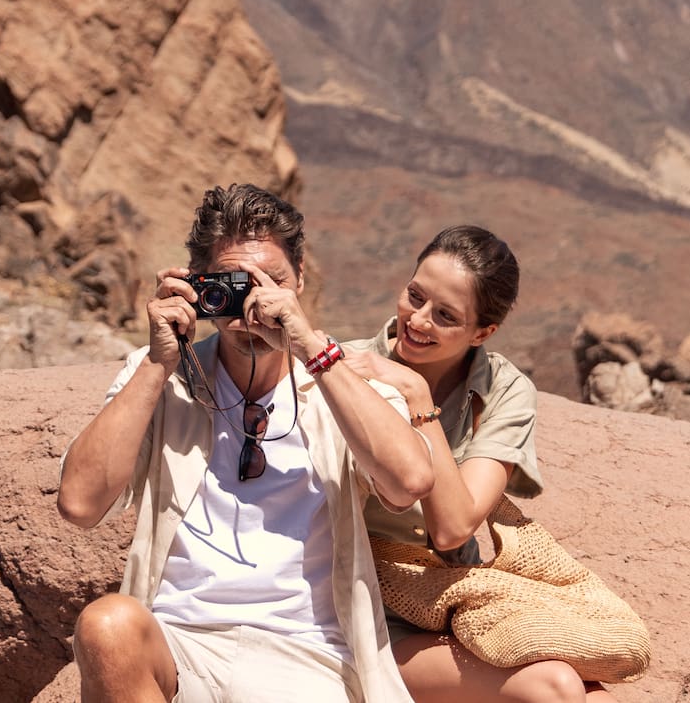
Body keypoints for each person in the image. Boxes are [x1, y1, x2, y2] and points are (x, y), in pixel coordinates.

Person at [58, 183, 434, 703]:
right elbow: (79, 504)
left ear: (300, 280)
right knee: (107, 624)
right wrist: (157, 363)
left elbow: (409, 482)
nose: (252, 307)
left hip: (307, 654)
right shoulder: (160, 376)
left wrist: (310, 347)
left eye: (271, 283)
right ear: (197, 285)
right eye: (232, 287)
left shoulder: (345, 380)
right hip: (182, 644)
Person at [344, 226, 615, 703]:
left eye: (445, 315)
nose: (419, 320)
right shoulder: (344, 370)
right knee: (555, 688)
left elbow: (454, 526)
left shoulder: (505, 392)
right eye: (415, 296)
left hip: (456, 603)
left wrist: (417, 397)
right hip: (367, 611)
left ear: (482, 333)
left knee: (585, 690)